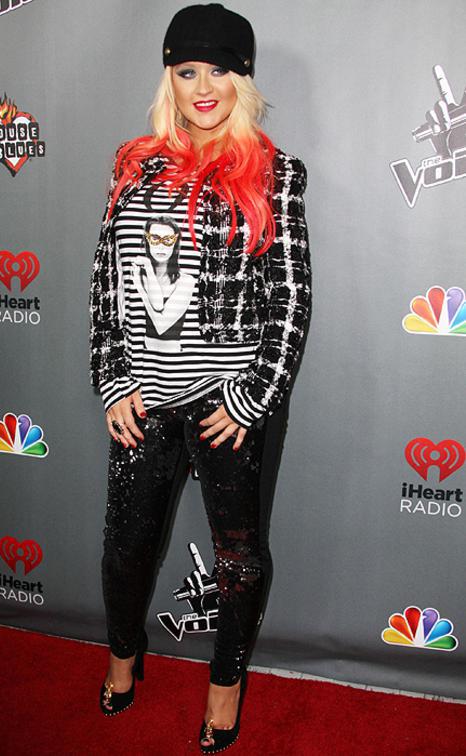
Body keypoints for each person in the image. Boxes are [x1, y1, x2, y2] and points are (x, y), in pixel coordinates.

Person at [88, 3, 311, 751]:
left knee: (238, 562)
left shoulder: (275, 174)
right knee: (124, 551)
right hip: (144, 403)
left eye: (220, 70)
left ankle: (225, 686)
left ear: (243, 80)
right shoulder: (133, 165)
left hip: (228, 407)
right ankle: (123, 659)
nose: (204, 87)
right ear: (169, 78)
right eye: (188, 71)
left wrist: (251, 399)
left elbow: (289, 300)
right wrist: (112, 378)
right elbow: (106, 282)